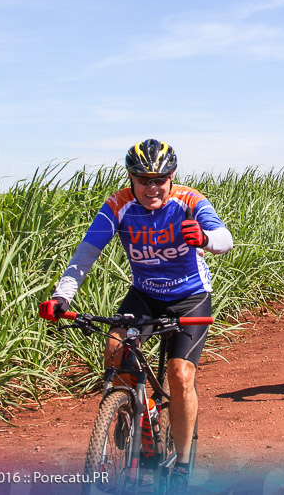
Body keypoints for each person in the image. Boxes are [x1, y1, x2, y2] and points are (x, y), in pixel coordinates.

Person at [39, 139, 232, 493]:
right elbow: (88, 251)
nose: (152, 187)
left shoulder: (189, 201)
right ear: (131, 178)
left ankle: (183, 466)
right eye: (144, 180)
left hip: (189, 297)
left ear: (172, 176)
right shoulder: (118, 204)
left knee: (180, 374)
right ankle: (129, 406)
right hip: (144, 294)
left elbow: (225, 238)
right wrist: (61, 296)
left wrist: (204, 238)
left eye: (160, 179)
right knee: (115, 349)